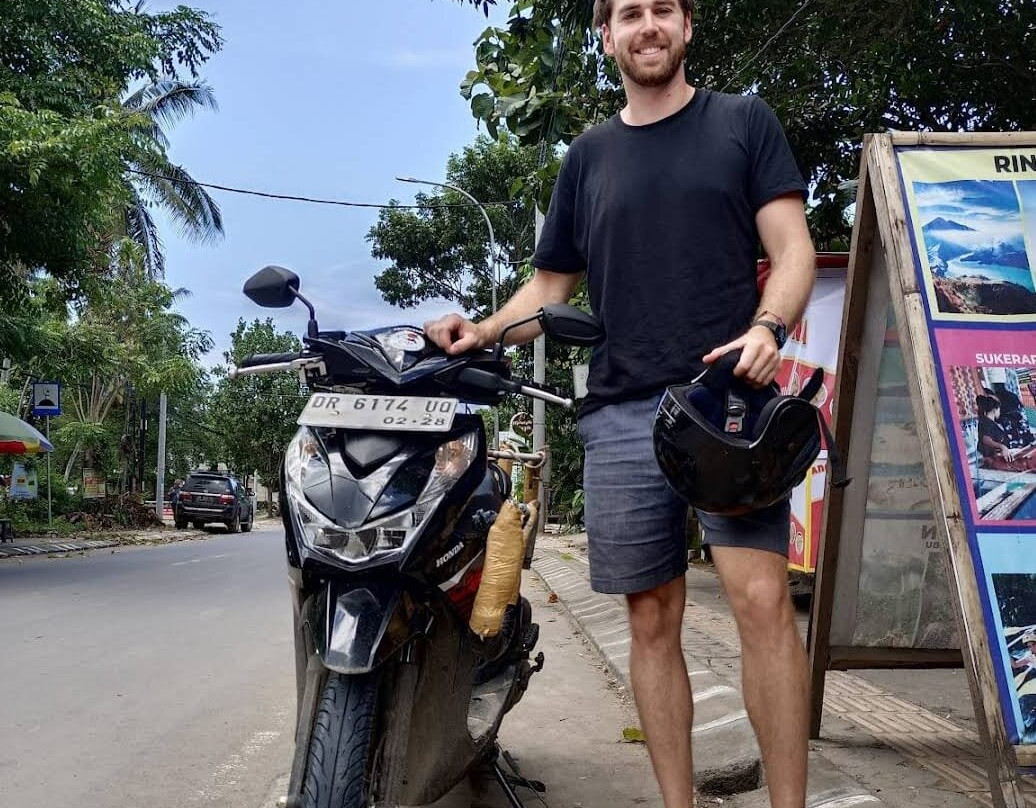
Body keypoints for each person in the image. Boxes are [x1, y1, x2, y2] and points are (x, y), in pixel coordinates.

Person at [424, 1, 815, 806]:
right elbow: (550, 285)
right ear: (607, 35)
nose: (648, 25)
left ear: (687, 25)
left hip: (729, 401)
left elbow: (793, 249)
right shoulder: (589, 157)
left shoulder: (743, 123)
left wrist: (771, 324)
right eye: (629, 13)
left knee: (765, 603)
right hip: (622, 411)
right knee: (651, 618)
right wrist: (484, 328)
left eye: (662, 9)